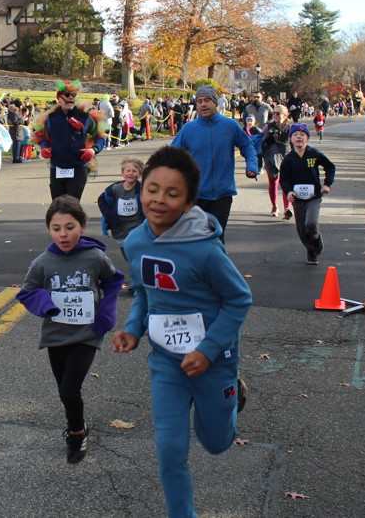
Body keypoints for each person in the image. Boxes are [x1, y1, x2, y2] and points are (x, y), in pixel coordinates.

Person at [112, 146, 251, 518]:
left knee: (217, 444)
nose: (159, 200)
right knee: (170, 450)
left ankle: (232, 392)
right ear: (141, 190)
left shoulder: (205, 250)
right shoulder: (135, 243)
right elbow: (145, 292)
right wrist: (133, 330)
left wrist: (208, 350)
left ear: (189, 203)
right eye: (152, 189)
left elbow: (239, 299)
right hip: (166, 362)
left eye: (172, 194)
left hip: (214, 360)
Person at [15, 195, 123, 464]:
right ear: (49, 229)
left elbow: (113, 280)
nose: (63, 234)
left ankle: (77, 432)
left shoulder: (94, 257)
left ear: (82, 226)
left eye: (70, 227)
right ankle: (76, 423)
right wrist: (46, 304)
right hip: (56, 335)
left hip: (87, 334)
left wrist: (106, 315)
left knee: (69, 390)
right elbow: (27, 292)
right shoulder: (43, 262)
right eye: (56, 228)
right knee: (64, 389)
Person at [170, 85, 257, 243]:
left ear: (215, 102)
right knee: (198, 238)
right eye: (199, 101)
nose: (203, 104)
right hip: (196, 195)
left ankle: (217, 258)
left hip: (223, 194)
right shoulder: (188, 129)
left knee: (217, 237)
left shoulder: (230, 125)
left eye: (207, 100)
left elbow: (247, 146)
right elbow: (171, 157)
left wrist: (252, 166)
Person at [34, 80, 107, 201]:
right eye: (67, 95)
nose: (71, 97)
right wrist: (44, 148)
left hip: (78, 167)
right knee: (58, 204)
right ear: (59, 98)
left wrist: (93, 150)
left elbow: (100, 137)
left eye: (74, 95)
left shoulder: (85, 117)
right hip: (57, 167)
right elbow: (44, 138)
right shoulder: (51, 118)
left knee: (72, 204)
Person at [279, 123, 335, 265]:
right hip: (297, 198)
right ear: (291, 139)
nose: (299, 137)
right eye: (295, 135)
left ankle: (316, 241)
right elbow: (284, 179)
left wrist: (327, 184)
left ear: (307, 138)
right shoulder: (288, 159)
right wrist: (288, 191)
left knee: (311, 222)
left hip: (313, 197)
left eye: (302, 135)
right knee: (302, 229)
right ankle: (311, 250)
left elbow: (330, 166)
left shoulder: (314, 153)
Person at [96, 158, 144, 283]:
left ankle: (136, 281)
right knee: (128, 257)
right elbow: (101, 201)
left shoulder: (142, 189)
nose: (131, 173)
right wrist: (111, 216)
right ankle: (136, 278)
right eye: (128, 170)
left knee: (136, 255)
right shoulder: (114, 189)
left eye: (135, 171)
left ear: (140, 174)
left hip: (137, 227)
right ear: (122, 173)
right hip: (120, 229)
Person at [261, 105, 292, 218]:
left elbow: (295, 144)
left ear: (285, 115)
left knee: (285, 183)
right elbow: (261, 141)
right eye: (273, 113)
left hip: (286, 157)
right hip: (271, 158)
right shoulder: (268, 127)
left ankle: (287, 208)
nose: (275, 115)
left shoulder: (290, 128)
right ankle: (274, 206)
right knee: (273, 182)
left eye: (278, 113)